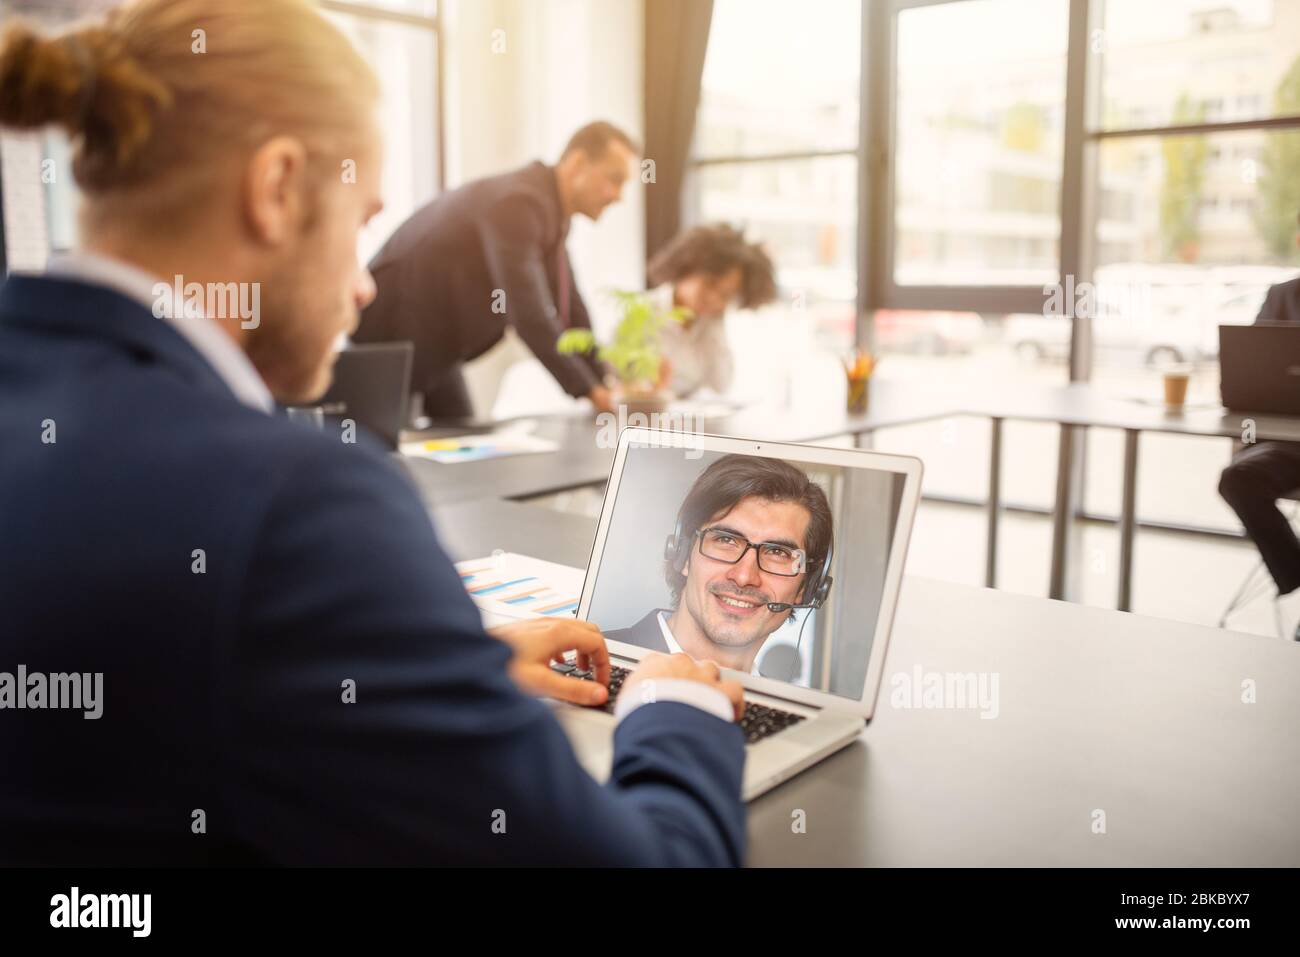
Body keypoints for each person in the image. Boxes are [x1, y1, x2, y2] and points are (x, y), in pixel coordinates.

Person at [0, 0, 747, 866]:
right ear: (277, 188)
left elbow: (145, 680)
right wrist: (672, 710)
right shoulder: (299, 503)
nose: (362, 286)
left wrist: (429, 666)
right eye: (361, 224)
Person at [352, 121, 639, 419]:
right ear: (578, 163)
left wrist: (603, 381)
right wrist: (588, 390)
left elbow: (572, 308)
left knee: (464, 437)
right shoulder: (519, 203)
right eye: (614, 179)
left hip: (437, 344)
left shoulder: (549, 213)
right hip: (389, 338)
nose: (619, 195)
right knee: (390, 452)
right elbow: (529, 312)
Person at [607, 455, 833, 674]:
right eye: (726, 540)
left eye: (777, 552)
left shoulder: (785, 711)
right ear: (683, 553)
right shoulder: (588, 660)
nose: (744, 577)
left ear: (807, 586)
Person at [1218, 210, 1300, 638]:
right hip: (1285, 442)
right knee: (1238, 478)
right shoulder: (1282, 295)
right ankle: (1297, 577)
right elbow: (1252, 370)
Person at [645, 223, 777, 398]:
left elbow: (721, 385)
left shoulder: (709, 322)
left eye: (726, 296)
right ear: (687, 268)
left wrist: (716, 325)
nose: (714, 299)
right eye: (710, 283)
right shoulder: (642, 313)